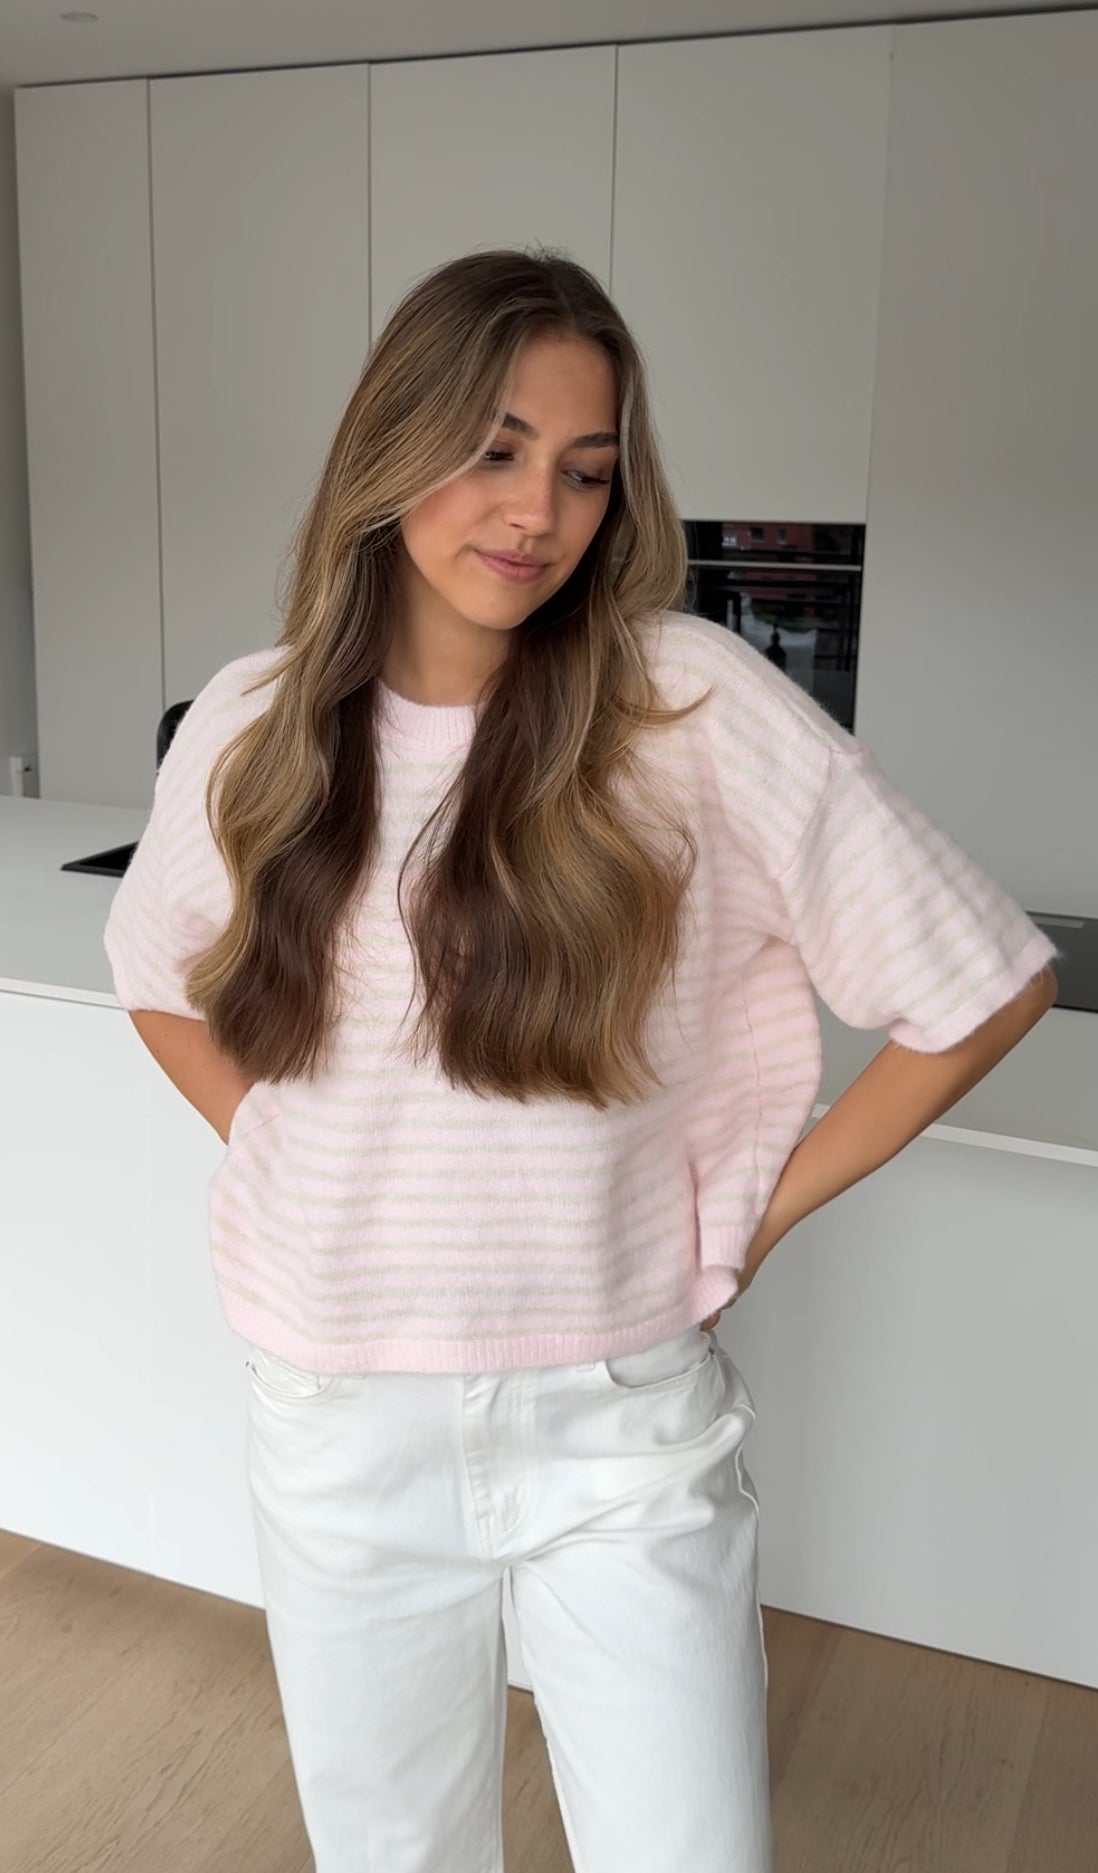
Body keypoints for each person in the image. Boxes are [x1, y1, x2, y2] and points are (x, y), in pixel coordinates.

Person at [103, 247, 1060, 1873]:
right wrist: (284, 1148)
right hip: (337, 1410)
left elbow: (980, 983)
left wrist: (747, 1217)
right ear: (391, 444)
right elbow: (155, 975)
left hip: (617, 1423)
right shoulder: (254, 725)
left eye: (584, 468)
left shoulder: (685, 704)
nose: (536, 510)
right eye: (493, 449)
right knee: (393, 1851)